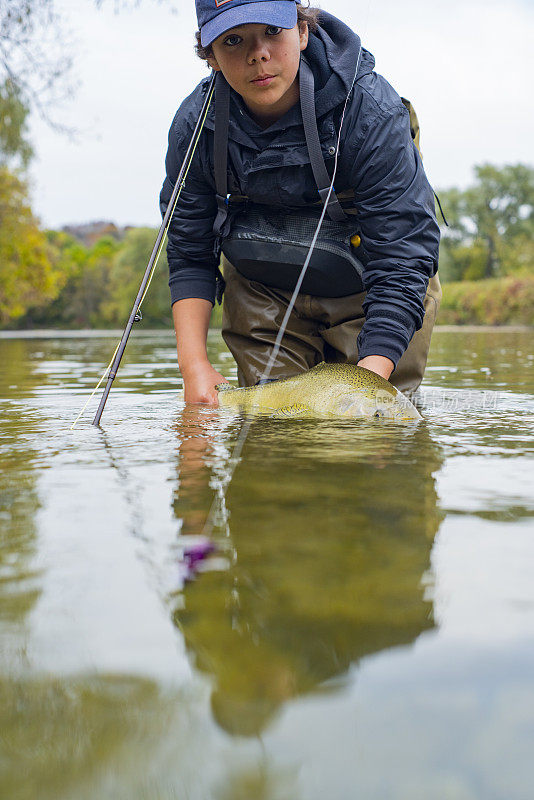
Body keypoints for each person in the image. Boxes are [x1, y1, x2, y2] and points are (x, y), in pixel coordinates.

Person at [160, 0, 441, 405]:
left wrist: (365, 386)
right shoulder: (195, 127)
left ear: (303, 32)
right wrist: (195, 368)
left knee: (379, 435)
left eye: (273, 32)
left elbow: (402, 255)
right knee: (271, 439)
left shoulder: (370, 111)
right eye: (234, 40)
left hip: (370, 286)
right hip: (262, 290)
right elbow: (189, 252)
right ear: (211, 58)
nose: (258, 53)